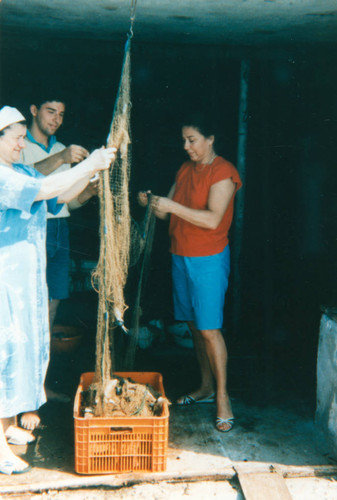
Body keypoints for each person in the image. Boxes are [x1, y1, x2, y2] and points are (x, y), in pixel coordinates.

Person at [0, 105, 115, 474]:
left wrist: (92, 176)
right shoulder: (2, 178)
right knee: (4, 354)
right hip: (4, 282)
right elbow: (46, 185)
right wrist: (89, 163)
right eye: (17, 138)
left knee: (21, 350)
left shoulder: (17, 170)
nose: (22, 144)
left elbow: (58, 196)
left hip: (24, 282)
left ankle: (9, 426)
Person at [138, 117, 242, 432]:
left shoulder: (223, 172)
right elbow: (163, 211)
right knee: (195, 328)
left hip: (208, 258)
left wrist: (171, 206)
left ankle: (224, 398)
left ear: (210, 139)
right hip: (180, 256)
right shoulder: (185, 170)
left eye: (192, 139)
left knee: (210, 329)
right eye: (184, 140)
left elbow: (212, 220)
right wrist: (151, 202)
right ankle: (206, 387)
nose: (186, 147)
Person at [20, 96, 97, 412]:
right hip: (31, 231)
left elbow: (63, 202)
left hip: (59, 231)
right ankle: (22, 393)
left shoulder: (60, 147)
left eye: (62, 114)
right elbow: (26, 178)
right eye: (51, 111)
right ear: (34, 111)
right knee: (28, 309)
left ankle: (39, 387)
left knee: (50, 311)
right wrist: (64, 157)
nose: (56, 119)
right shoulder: (17, 145)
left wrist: (89, 191)